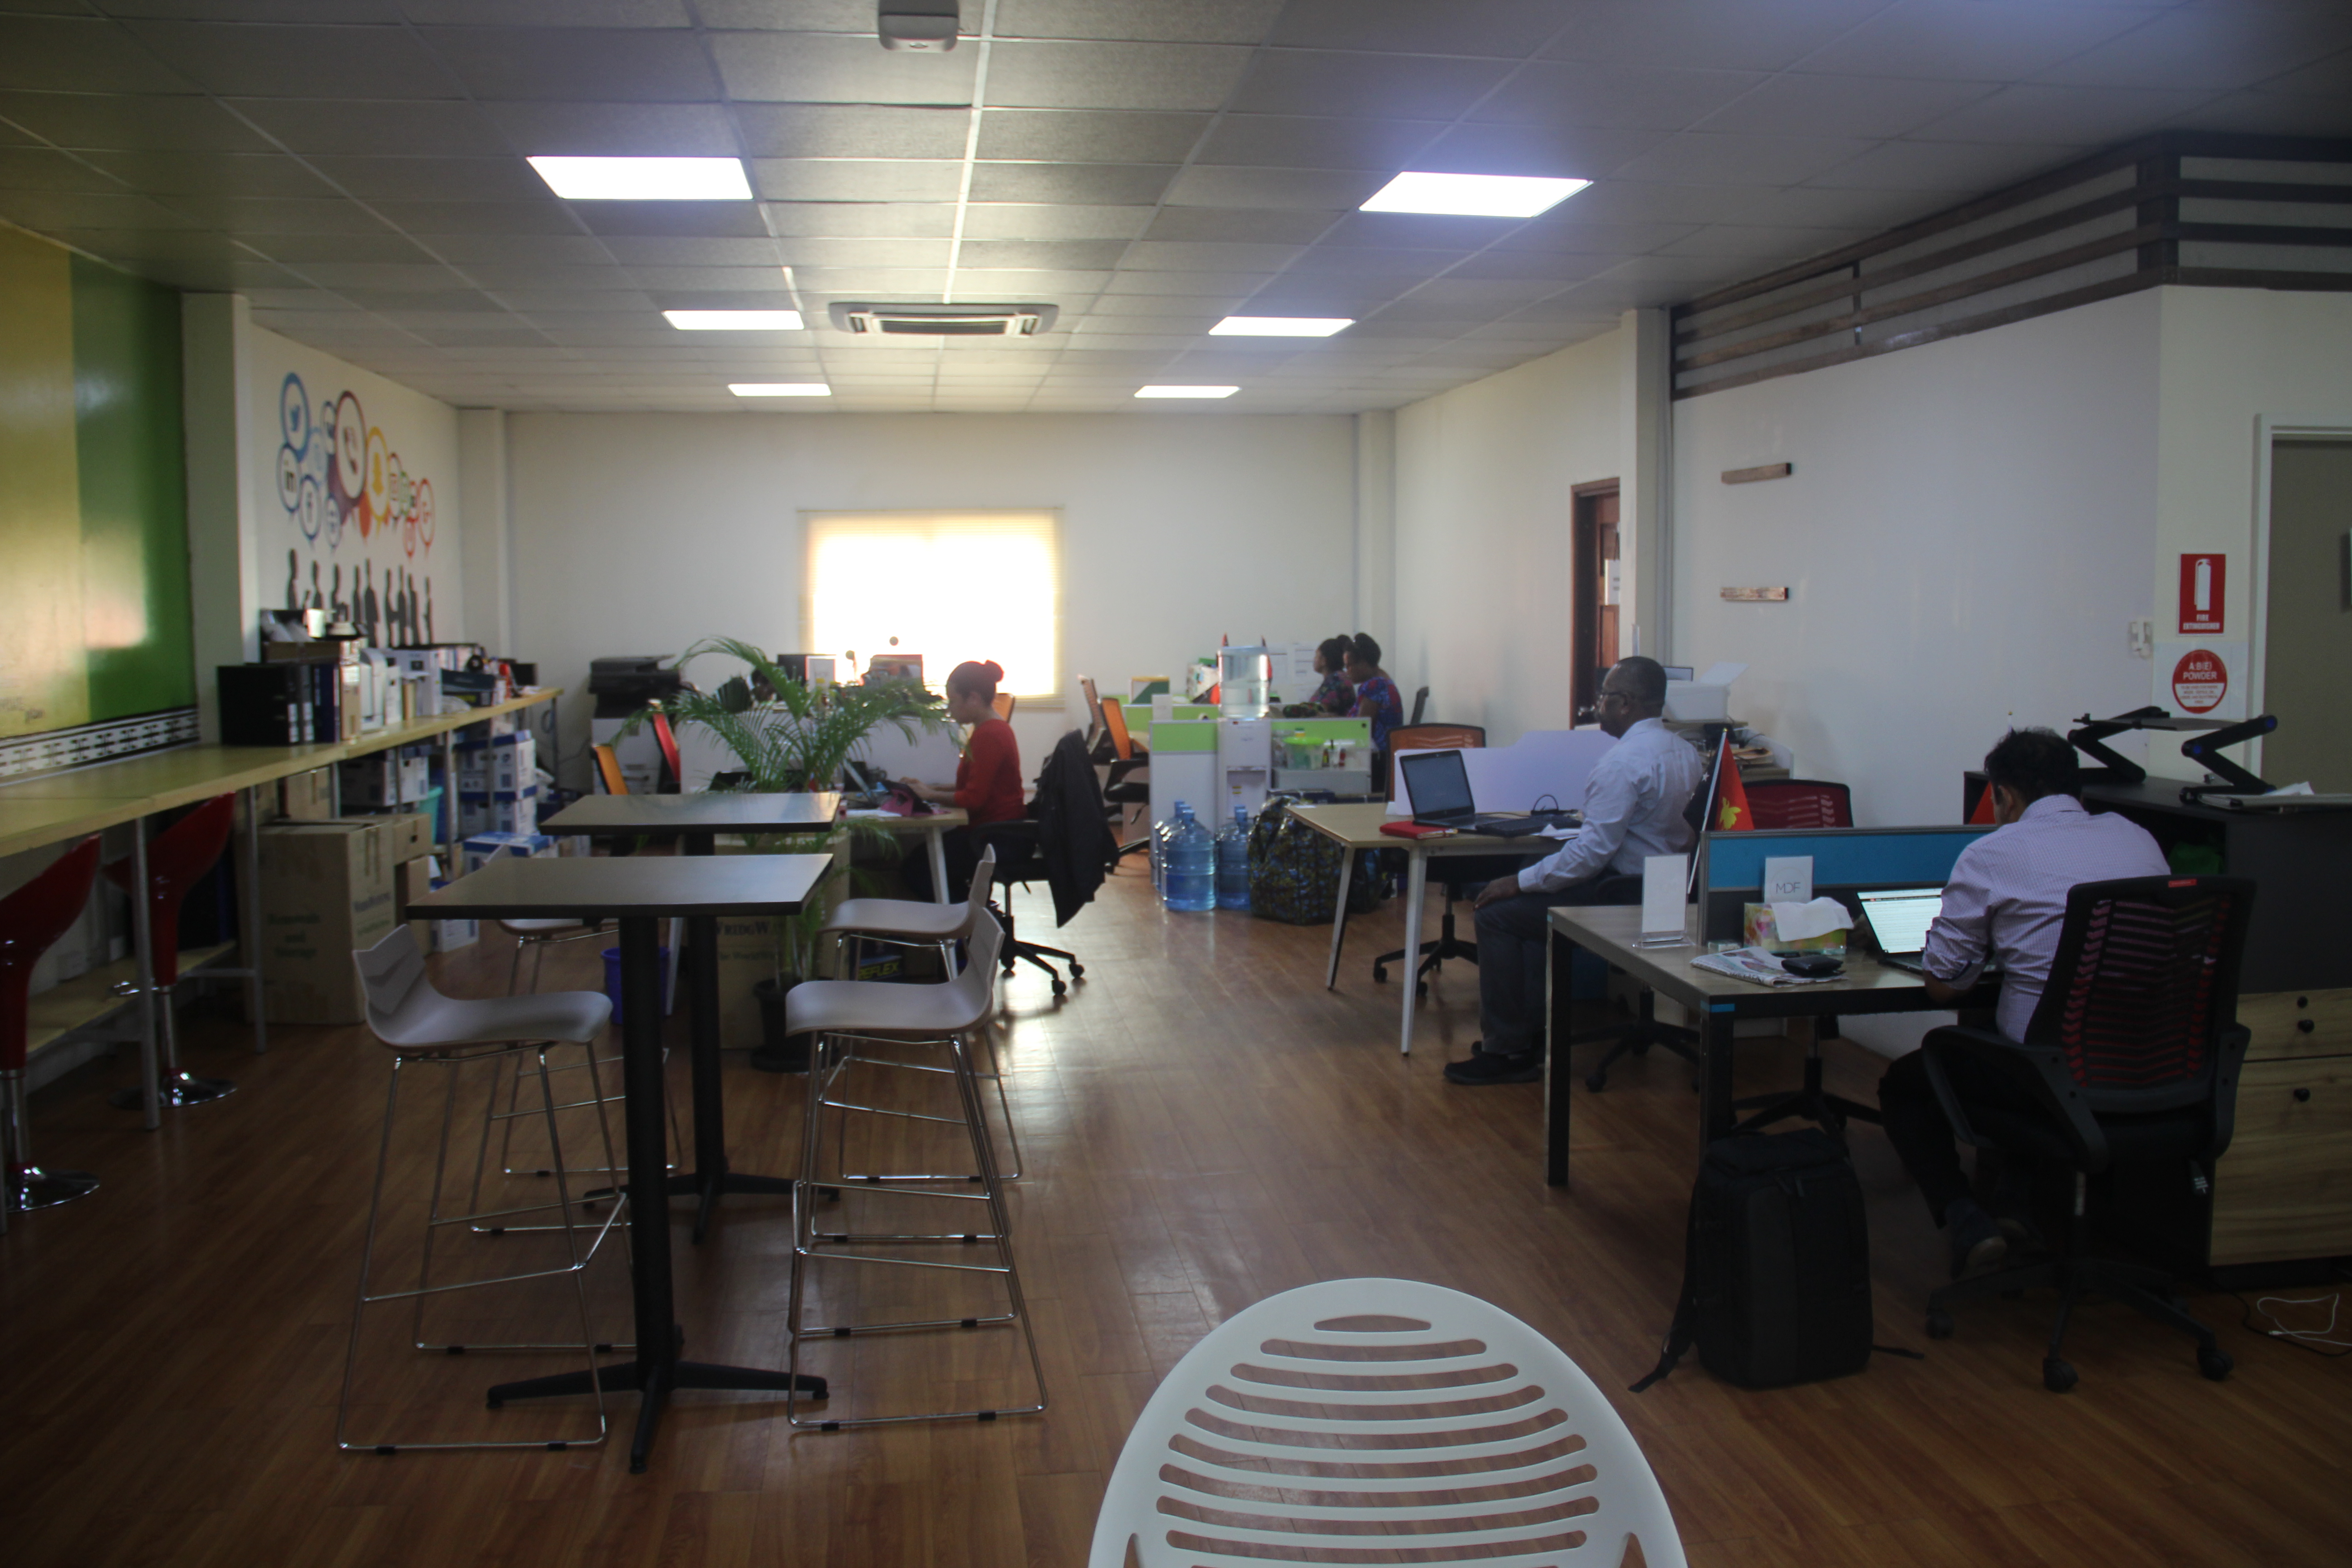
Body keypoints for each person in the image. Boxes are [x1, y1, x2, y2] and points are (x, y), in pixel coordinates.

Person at [1877, 726, 2169, 1278]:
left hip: (2049, 1075)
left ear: (2006, 796)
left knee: (1911, 1082)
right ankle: (2013, 1205)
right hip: (2146, 1064)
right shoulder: (2137, 838)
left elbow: (1945, 985)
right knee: (2011, 1043)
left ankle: (1966, 1217)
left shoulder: (1994, 852)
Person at [1445, 656, 1706, 1086]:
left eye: (1603, 698)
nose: (1597, 706)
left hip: (1622, 896)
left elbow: (1592, 855)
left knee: (1497, 914)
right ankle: (1528, 1034)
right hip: (1670, 890)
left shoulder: (1621, 764)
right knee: (1531, 886)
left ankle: (1508, 1051)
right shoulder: (1685, 753)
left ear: (1624, 704)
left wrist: (1516, 882)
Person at [905, 660, 1023, 901]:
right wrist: (932, 788)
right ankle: (973, 915)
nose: (949, 708)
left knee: (916, 868)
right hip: (996, 832)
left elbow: (973, 800)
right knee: (923, 858)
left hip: (995, 837)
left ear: (973, 699)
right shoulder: (988, 729)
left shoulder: (989, 735)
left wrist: (930, 796)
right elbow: (974, 785)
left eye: (953, 700)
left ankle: (969, 920)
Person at [1345, 633, 1403, 754]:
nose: (1347, 671)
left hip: (1377, 759)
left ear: (1364, 663)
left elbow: (1362, 731)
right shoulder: (1384, 678)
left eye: (1350, 665)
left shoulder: (1374, 686)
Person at [1310, 636, 1355, 713]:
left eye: (1316, 655)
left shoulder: (1335, 680)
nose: (1314, 659)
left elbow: (1320, 711)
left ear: (1324, 660)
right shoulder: (1340, 677)